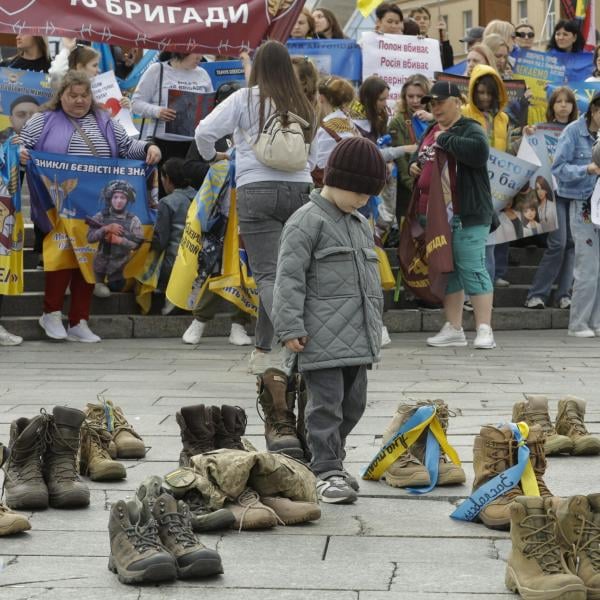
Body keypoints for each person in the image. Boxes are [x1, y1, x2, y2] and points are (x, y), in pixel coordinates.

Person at [272, 136, 386, 504]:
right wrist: (289, 326)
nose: (365, 201)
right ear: (337, 181)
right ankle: (326, 470)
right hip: (320, 338)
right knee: (326, 406)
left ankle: (328, 459)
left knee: (353, 404)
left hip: (356, 338)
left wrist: (375, 327)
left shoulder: (358, 223)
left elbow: (369, 283)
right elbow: (288, 278)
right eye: (361, 193)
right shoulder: (306, 221)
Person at [194, 40, 316, 373]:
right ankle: (262, 352)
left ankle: (295, 337)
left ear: (258, 67)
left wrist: (213, 156)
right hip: (301, 190)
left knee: (267, 275)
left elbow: (204, 131)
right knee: (289, 275)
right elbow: (314, 155)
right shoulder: (303, 103)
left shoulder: (244, 98)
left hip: (256, 189)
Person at [19, 70, 161, 343]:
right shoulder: (43, 120)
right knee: (61, 255)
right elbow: (19, 146)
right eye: (72, 95)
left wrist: (148, 149)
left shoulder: (105, 121)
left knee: (88, 258)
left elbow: (127, 146)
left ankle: (79, 320)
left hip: (94, 203)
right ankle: (50, 313)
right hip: (58, 202)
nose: (79, 100)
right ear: (60, 96)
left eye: (84, 95)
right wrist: (21, 153)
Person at [409, 81, 495, 349]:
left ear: (457, 102)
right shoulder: (432, 130)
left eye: (440, 102)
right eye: (431, 104)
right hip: (436, 216)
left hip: (466, 214)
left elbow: (479, 153)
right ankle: (454, 328)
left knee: (471, 267)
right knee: (449, 270)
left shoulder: (470, 128)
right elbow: (419, 156)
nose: (435, 108)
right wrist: (414, 165)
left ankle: (484, 329)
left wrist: (444, 138)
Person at [524, 87, 578, 310]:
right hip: (551, 194)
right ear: (552, 106)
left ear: (574, 107)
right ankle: (536, 295)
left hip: (575, 193)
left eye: (568, 102)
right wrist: (527, 134)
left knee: (572, 244)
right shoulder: (540, 129)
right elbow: (529, 155)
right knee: (558, 243)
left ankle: (564, 294)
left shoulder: (578, 130)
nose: (563, 105)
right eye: (559, 102)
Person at [552, 92, 600, 337]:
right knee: (587, 265)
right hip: (582, 204)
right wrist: (587, 168)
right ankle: (578, 323)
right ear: (593, 109)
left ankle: (597, 321)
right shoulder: (573, 131)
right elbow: (558, 168)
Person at [132, 52, 213, 187]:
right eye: (196, 52)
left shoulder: (203, 74)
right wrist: (158, 112)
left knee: (192, 194)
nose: (200, 57)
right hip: (163, 145)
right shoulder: (158, 70)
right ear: (181, 51)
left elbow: (209, 108)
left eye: (201, 51)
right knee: (164, 194)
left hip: (194, 147)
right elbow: (135, 104)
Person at [462, 64, 509, 288]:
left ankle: (483, 293)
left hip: (496, 187)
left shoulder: (504, 119)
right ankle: (475, 293)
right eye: (480, 92)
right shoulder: (463, 113)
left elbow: (507, 150)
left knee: (490, 242)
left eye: (490, 92)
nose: (485, 97)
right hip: (470, 186)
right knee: (475, 244)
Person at [87, 180, 143, 292]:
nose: (118, 201)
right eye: (115, 197)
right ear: (110, 199)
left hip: (121, 267)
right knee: (101, 290)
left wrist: (120, 241)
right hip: (101, 266)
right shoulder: (101, 216)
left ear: (127, 200)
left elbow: (137, 244)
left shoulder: (133, 220)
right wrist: (105, 229)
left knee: (117, 288)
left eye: (122, 198)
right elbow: (90, 238)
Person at [389, 74, 431, 222]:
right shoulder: (398, 122)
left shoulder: (436, 117)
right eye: (410, 96)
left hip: (436, 189)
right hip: (409, 191)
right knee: (409, 238)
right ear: (404, 97)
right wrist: (416, 187)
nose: (415, 101)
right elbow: (401, 162)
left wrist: (434, 118)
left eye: (420, 96)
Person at [313, 76, 359, 184]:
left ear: (321, 98)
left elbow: (320, 164)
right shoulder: (351, 125)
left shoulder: (326, 128)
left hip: (330, 188)